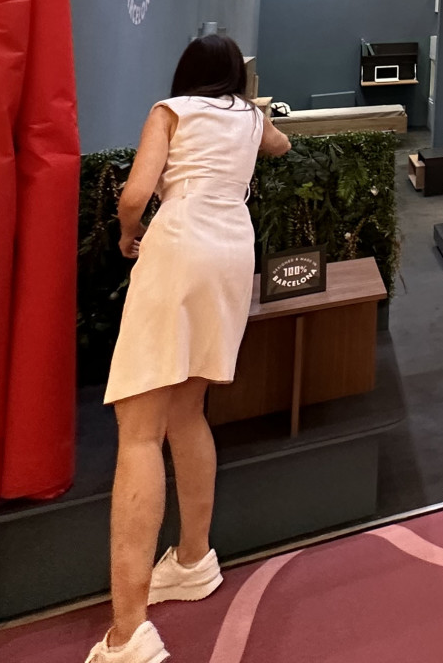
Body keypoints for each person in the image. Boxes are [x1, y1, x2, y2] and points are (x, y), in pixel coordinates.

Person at [87, 35, 291, 663]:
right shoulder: (250, 118)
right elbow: (282, 144)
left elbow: (133, 194)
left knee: (140, 430)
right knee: (187, 409)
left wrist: (128, 234)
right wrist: (253, 112)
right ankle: (194, 558)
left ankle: (128, 633)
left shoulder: (169, 111)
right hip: (232, 252)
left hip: (178, 245)